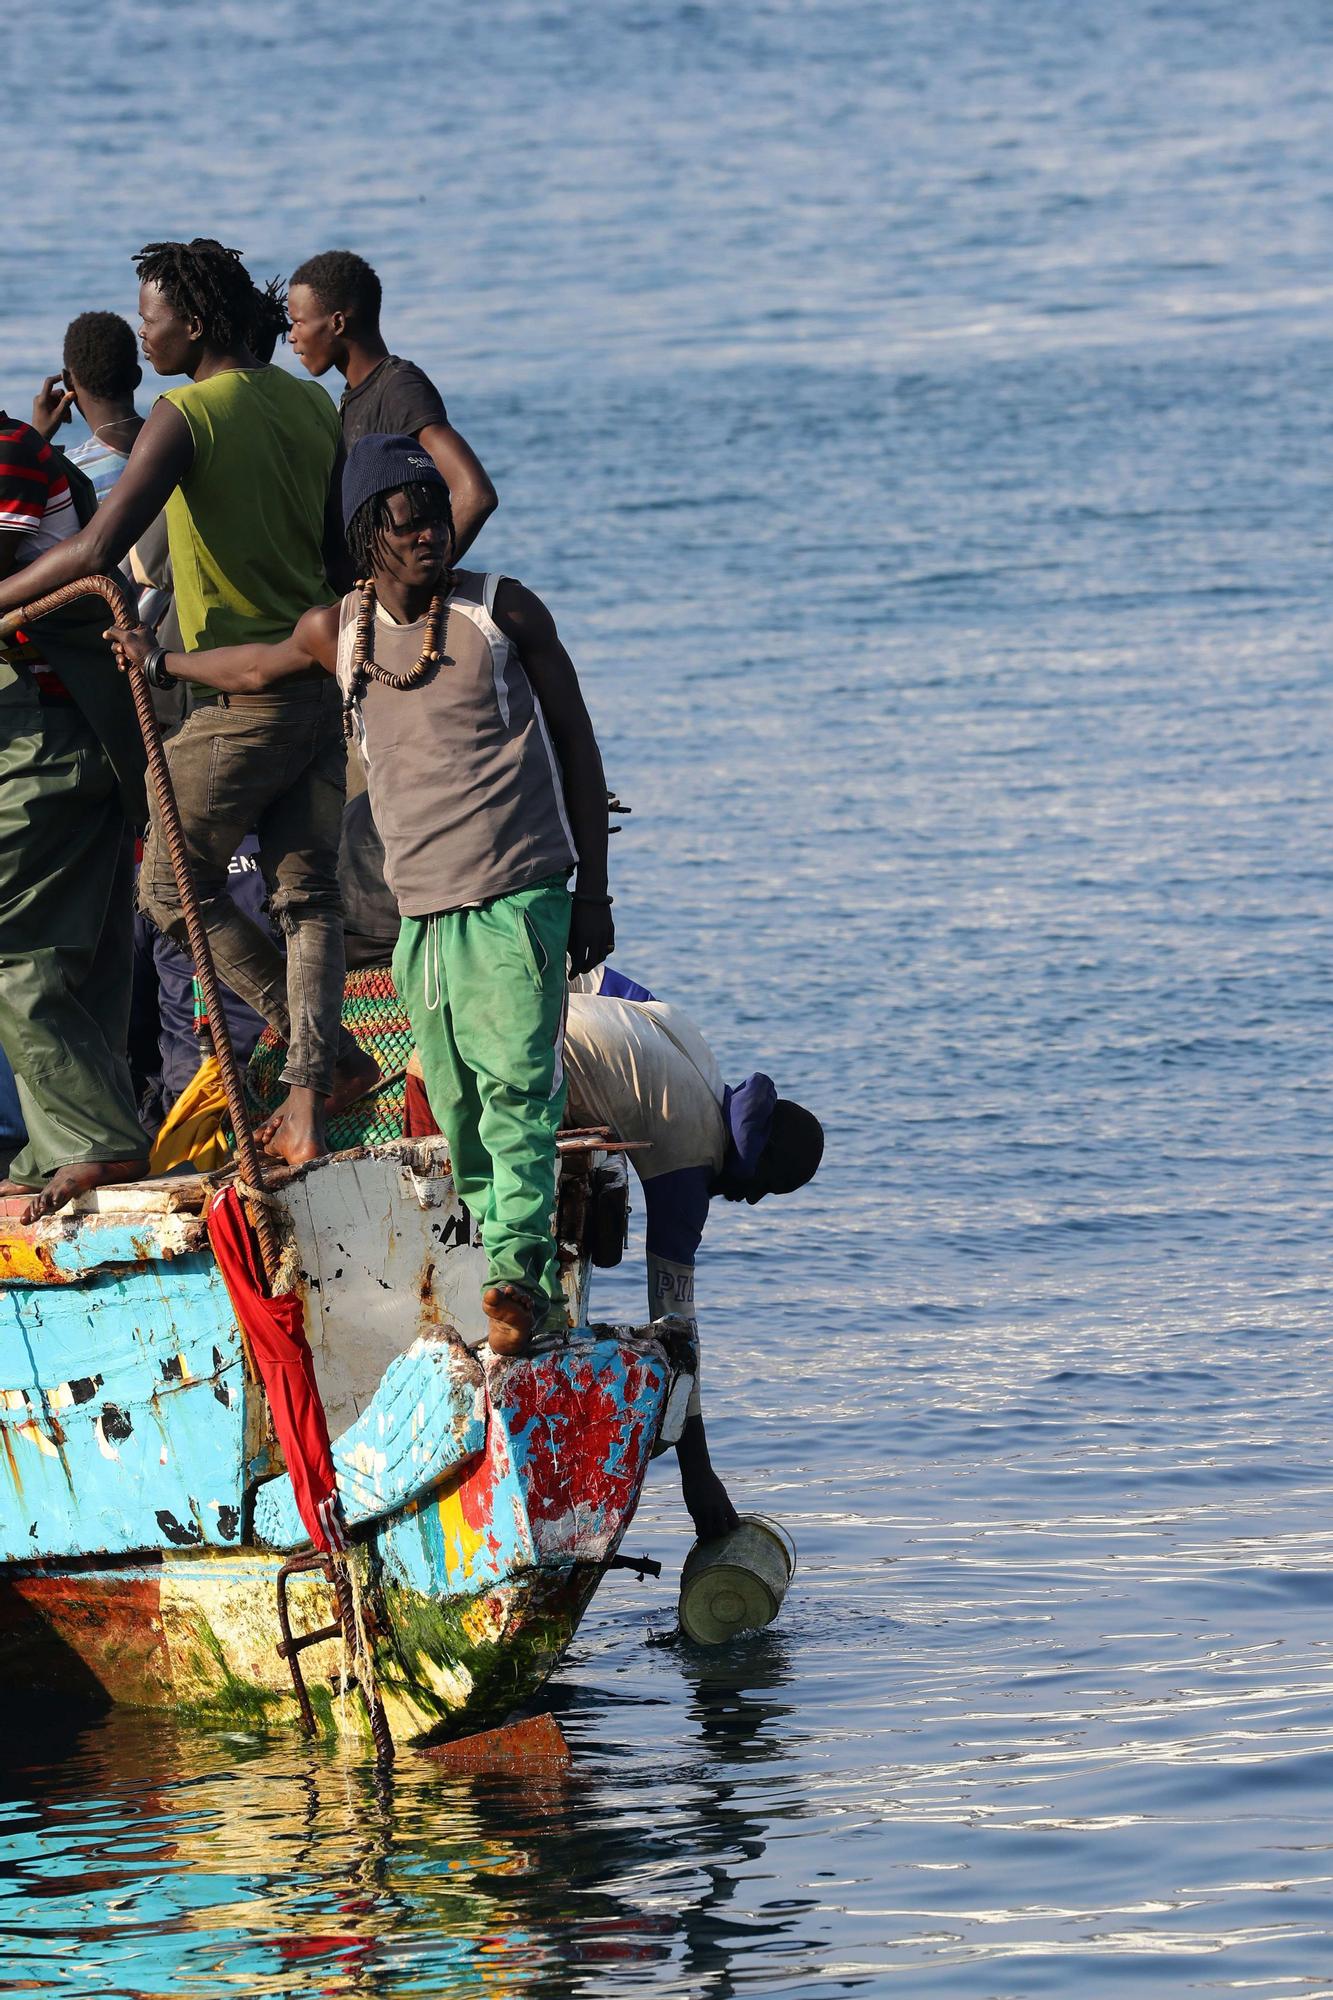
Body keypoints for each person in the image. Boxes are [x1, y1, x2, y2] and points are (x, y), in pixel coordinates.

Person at [108, 433, 613, 1355]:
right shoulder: (338, 632)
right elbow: (254, 666)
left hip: (518, 894)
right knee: (455, 1102)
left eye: (433, 517)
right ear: (368, 538)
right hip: (423, 913)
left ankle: (518, 1280)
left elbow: (578, 747)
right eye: (406, 522)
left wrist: (593, 898)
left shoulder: (504, 612)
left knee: (515, 1091)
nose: (429, 535)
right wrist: (159, 664)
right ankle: (504, 1271)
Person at [0, 238, 376, 1168]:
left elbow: (94, 553)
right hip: (312, 678)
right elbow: (339, 558)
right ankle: (324, 1071)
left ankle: (314, 1051)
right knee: (307, 894)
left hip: (234, 692)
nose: (143, 331)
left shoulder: (187, 413)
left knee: (167, 888)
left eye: (151, 317)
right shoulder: (305, 402)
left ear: (194, 324)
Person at [0, 412, 149, 1217]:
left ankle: (96, 1139)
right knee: (80, 949)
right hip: (62, 728)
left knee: (16, 940)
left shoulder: (8, 452)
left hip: (54, 730)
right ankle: (71, 1138)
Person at [285, 250, 498, 560]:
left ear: (338, 323)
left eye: (299, 322)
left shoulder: (400, 388)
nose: (292, 337)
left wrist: (422, 582)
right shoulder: (353, 398)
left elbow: (475, 494)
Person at [29, 311, 144, 503]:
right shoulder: (175, 443)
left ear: (68, 382)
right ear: (137, 376)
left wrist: (36, 439)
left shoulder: (73, 477)